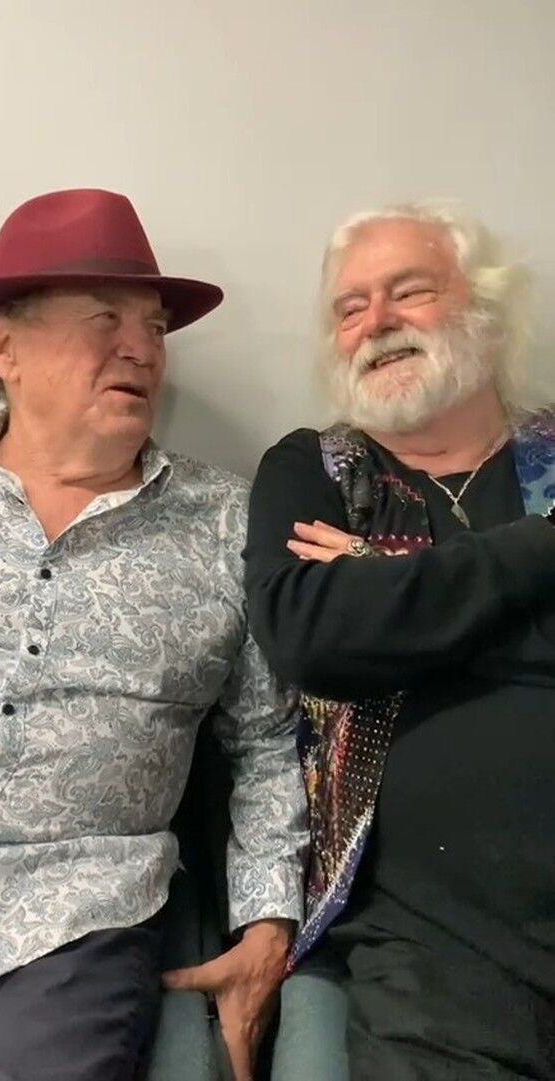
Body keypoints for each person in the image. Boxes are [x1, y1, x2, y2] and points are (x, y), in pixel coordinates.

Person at [0, 188, 307, 1081]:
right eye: (105, 318)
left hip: (63, 917)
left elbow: (266, 744)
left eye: (154, 327)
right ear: (6, 347)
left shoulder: (226, 523)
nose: (142, 348)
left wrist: (266, 927)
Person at [244, 203, 555, 1080]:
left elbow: (362, 626)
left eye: (408, 291)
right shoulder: (315, 469)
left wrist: (383, 581)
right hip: (436, 943)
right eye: (350, 307)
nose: (376, 322)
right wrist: (541, 551)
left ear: (483, 311)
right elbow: (312, 636)